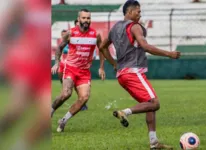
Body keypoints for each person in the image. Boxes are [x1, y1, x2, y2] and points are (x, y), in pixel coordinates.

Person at [99, 0, 180, 149]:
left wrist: (114, 64)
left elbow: (103, 46)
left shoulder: (115, 28)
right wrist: (169, 53)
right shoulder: (135, 26)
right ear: (129, 12)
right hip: (133, 72)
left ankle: (154, 142)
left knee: (149, 105)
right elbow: (145, 46)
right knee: (155, 103)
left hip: (123, 75)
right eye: (138, 11)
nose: (140, 14)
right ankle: (125, 112)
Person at [0, 0, 50, 149]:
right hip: (26, 62)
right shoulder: (25, 3)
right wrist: (5, 53)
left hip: (45, 67)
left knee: (47, 114)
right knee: (17, 109)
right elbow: (4, 28)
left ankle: (21, 146)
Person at [51, 9, 106, 132]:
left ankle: (63, 121)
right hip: (70, 68)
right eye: (84, 18)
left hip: (84, 72)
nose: (86, 20)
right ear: (79, 19)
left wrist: (101, 67)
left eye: (88, 18)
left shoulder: (95, 35)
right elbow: (59, 48)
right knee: (66, 94)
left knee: (84, 98)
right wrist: (56, 63)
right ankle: (50, 111)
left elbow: (102, 50)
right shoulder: (70, 33)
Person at [55, 20, 88, 111]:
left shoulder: (73, 40)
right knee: (64, 83)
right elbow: (59, 51)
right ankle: (63, 97)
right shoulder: (63, 43)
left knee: (75, 84)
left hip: (71, 65)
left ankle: (82, 102)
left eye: (64, 34)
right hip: (62, 64)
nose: (63, 35)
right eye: (62, 34)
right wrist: (57, 63)